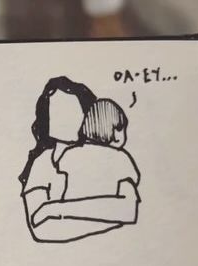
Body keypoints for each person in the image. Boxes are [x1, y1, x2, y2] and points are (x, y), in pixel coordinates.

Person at [20, 77, 139, 242]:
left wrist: (55, 209)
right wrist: (108, 217)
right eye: (55, 111)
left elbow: (129, 210)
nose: (63, 120)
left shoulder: (113, 157)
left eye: (70, 111)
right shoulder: (41, 164)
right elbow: (41, 229)